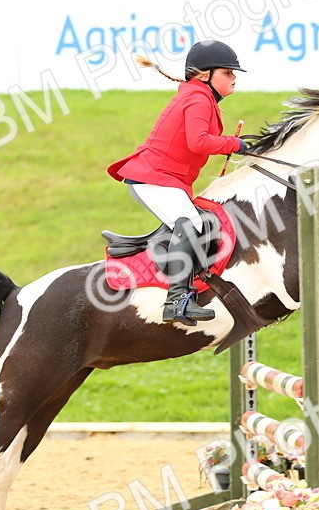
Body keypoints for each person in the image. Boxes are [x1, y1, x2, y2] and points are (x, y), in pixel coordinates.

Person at [106, 40, 248, 326]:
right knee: (191, 225)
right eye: (228, 72)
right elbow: (198, 142)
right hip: (153, 179)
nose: (234, 77)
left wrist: (235, 146)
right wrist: (235, 144)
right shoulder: (197, 98)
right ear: (204, 75)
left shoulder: (199, 96)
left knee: (197, 223)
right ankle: (177, 300)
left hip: (161, 180)